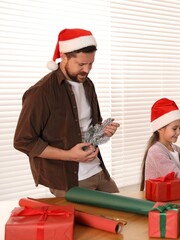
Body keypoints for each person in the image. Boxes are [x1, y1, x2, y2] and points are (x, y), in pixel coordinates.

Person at [13, 28, 120, 197]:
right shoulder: (41, 93)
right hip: (69, 181)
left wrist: (103, 131)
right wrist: (69, 155)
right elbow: (23, 141)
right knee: (91, 224)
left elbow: (90, 127)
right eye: (81, 64)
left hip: (98, 171)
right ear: (63, 57)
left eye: (91, 63)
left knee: (126, 217)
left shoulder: (88, 84)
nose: (87, 70)